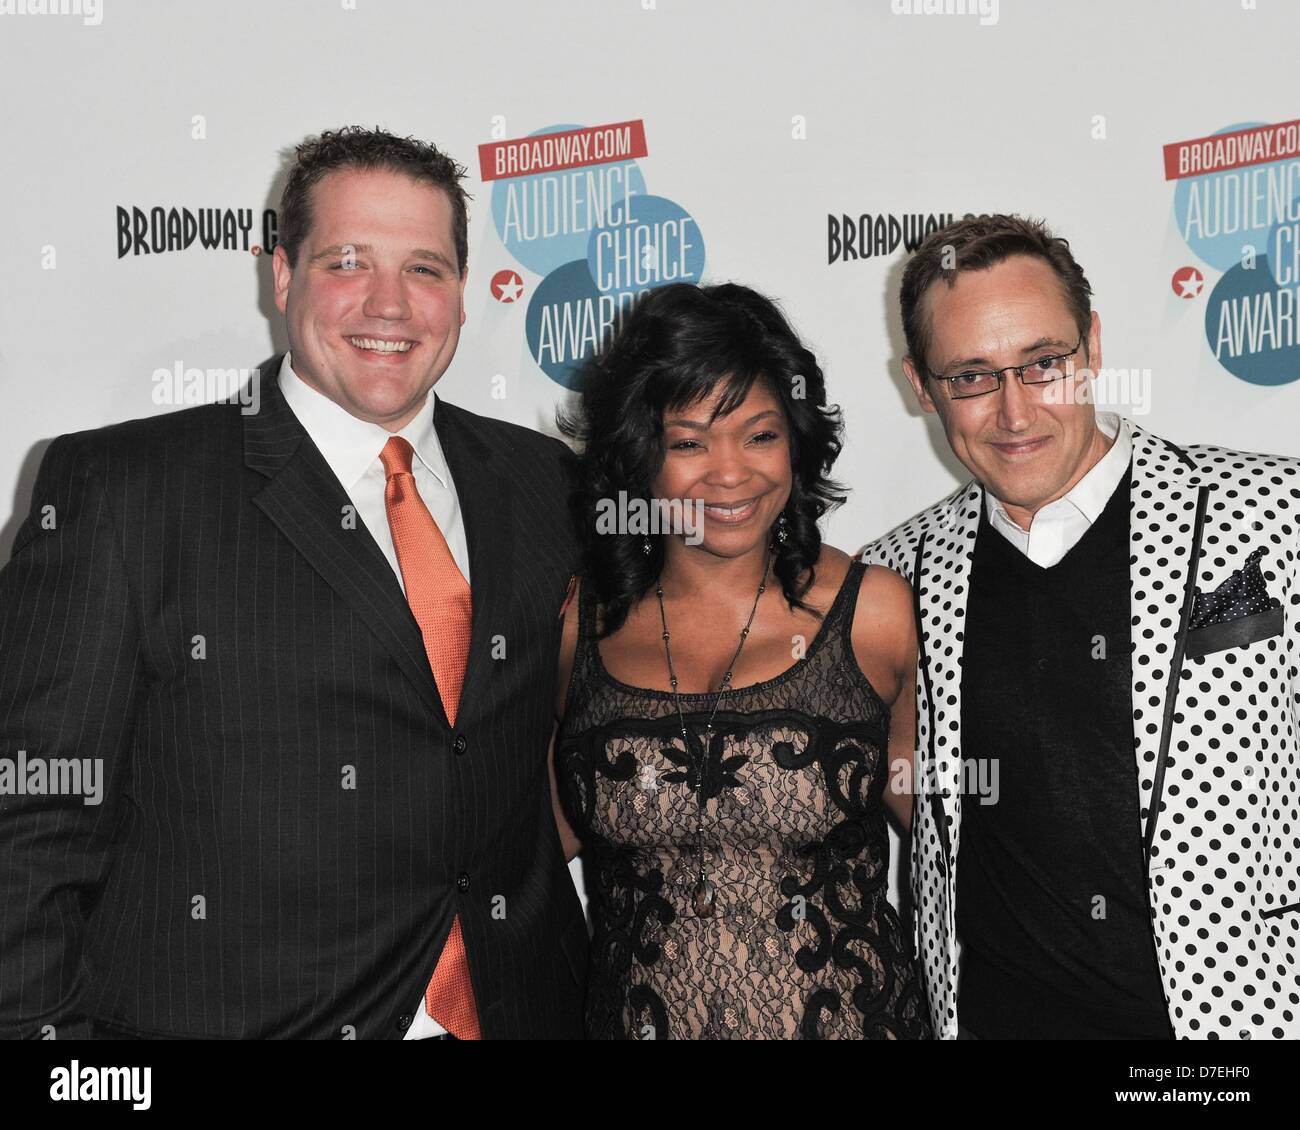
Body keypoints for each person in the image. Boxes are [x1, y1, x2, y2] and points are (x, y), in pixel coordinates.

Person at [0, 127, 586, 1040]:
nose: (389, 304)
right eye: (348, 262)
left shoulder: (544, 483)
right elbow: (28, 828)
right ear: (282, 276)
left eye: (425, 269)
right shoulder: (123, 491)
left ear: (463, 295)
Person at [862, 213, 1300, 1040]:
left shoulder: (1276, 515)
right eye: (973, 377)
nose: (1015, 411)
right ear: (922, 386)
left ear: (1092, 345)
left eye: (1043, 363)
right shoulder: (894, 580)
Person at [549, 281, 929, 1039]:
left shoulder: (874, 615)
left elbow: (959, 841)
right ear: (638, 456)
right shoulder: (580, 627)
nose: (731, 474)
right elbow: (526, 852)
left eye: (760, 435)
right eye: (688, 442)